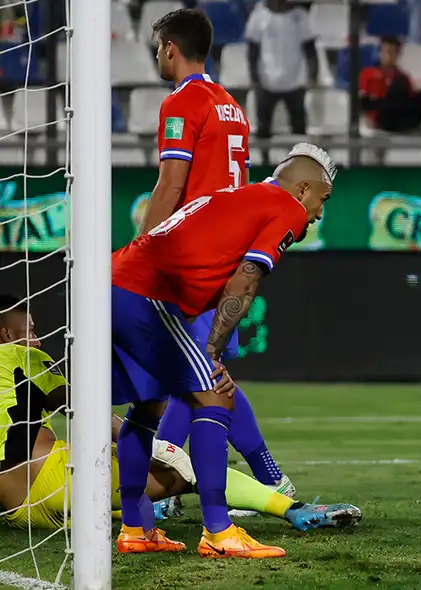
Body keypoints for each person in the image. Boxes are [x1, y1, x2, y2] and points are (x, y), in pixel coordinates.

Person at [111, 144, 335, 558]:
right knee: (216, 393)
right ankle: (218, 530)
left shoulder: (234, 195)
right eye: (322, 199)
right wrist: (212, 351)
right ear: (303, 189)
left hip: (115, 281)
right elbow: (245, 280)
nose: (320, 213)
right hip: (146, 292)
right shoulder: (285, 207)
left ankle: (136, 527)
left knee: (148, 406)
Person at [0, 295, 361, 534]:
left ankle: (149, 510)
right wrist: (151, 445)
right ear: (5, 335)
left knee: (127, 500)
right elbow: (83, 408)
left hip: (15, 511)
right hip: (51, 480)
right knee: (183, 472)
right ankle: (292, 508)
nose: (38, 340)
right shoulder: (23, 357)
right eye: (29, 332)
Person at [142, 8, 296, 511]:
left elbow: (171, 183)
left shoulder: (181, 101)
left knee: (195, 371)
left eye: (158, 47)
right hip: (228, 250)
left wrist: (142, 251)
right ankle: (268, 476)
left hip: (193, 253)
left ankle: (165, 474)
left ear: (170, 47)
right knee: (203, 369)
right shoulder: (232, 105)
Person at [245, 0, 318, 138]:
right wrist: (254, 77)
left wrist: (312, 75)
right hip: (267, 81)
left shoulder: (300, 16)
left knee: (299, 129)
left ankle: (299, 159)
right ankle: (264, 159)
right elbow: (252, 51)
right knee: (263, 129)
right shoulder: (259, 14)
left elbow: (310, 50)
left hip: (294, 81)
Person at [359, 37, 421, 138]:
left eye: (394, 52)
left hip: (401, 115)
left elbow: (409, 98)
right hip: (382, 117)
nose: (390, 56)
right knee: (396, 88)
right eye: (387, 52)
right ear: (380, 53)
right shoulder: (368, 74)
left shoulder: (402, 76)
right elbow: (363, 101)